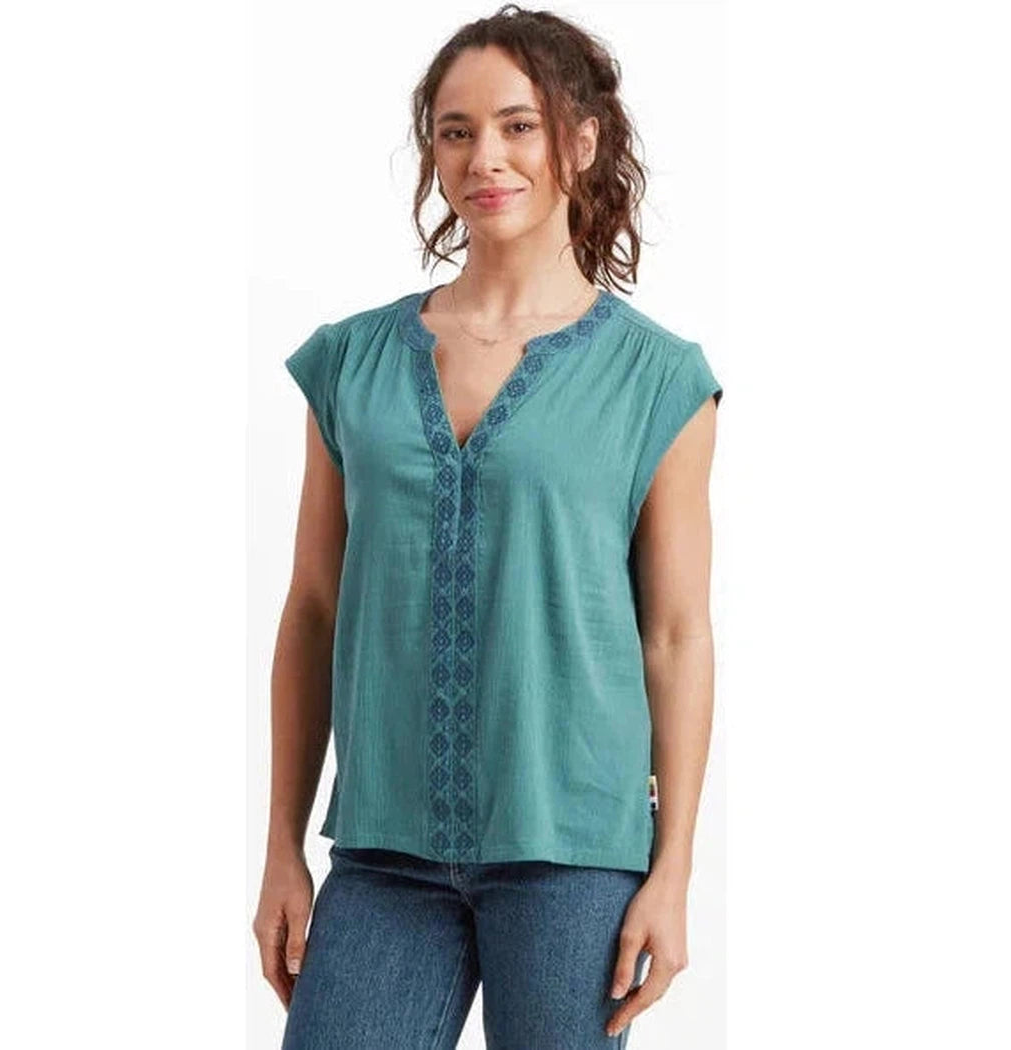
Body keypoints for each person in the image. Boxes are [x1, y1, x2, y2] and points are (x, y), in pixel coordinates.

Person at [253, 6, 723, 1047]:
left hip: (575, 850)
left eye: (519, 125)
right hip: (383, 849)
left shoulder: (658, 380)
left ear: (580, 141)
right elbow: (313, 609)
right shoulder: (352, 363)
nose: (485, 158)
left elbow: (676, 634)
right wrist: (283, 847)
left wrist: (675, 870)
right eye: (456, 131)